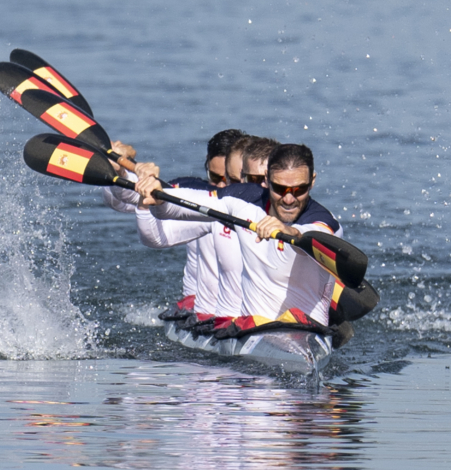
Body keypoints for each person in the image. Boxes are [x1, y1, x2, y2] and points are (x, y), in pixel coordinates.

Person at [135, 144, 342, 327]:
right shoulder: (244, 200)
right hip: (250, 330)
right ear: (267, 180)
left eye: (299, 190)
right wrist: (159, 195)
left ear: (312, 181)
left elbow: (318, 236)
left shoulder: (324, 221)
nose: (289, 199)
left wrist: (290, 231)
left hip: (305, 332)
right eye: (280, 189)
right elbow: (180, 207)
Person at [102, 130, 247, 319]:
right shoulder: (197, 193)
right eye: (215, 177)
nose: (221, 187)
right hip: (204, 312)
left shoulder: (266, 201)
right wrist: (119, 169)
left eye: (230, 180)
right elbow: (121, 200)